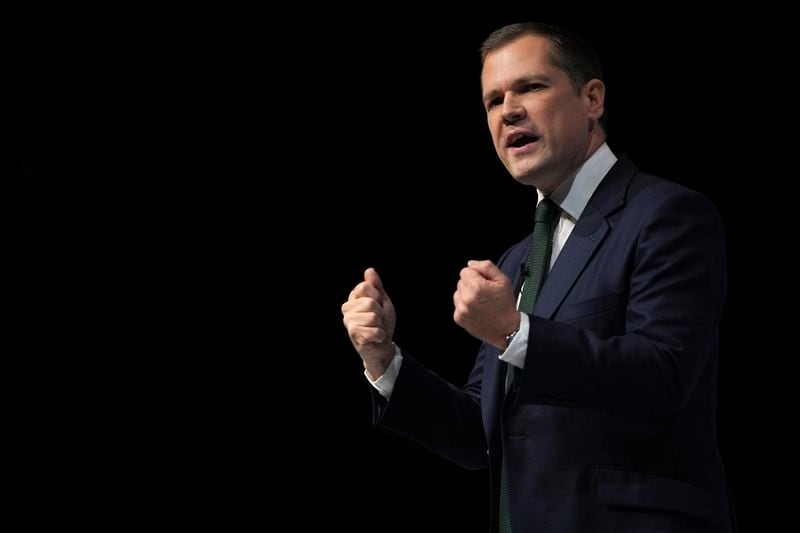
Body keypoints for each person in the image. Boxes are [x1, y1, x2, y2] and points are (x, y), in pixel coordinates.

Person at [341, 22, 736, 532]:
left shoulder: (666, 214)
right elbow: (476, 436)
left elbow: (665, 375)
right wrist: (384, 360)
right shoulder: (516, 260)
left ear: (592, 98)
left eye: (530, 87)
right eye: (493, 100)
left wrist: (514, 332)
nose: (508, 111)